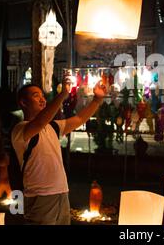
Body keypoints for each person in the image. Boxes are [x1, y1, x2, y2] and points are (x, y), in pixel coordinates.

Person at [11, 77, 107, 225]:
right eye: (36, 96)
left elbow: (80, 118)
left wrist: (97, 99)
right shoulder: (20, 129)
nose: (42, 99)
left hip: (61, 191)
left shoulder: (53, 127)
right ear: (23, 103)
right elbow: (40, 122)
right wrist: (62, 95)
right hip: (39, 196)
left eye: (43, 96)